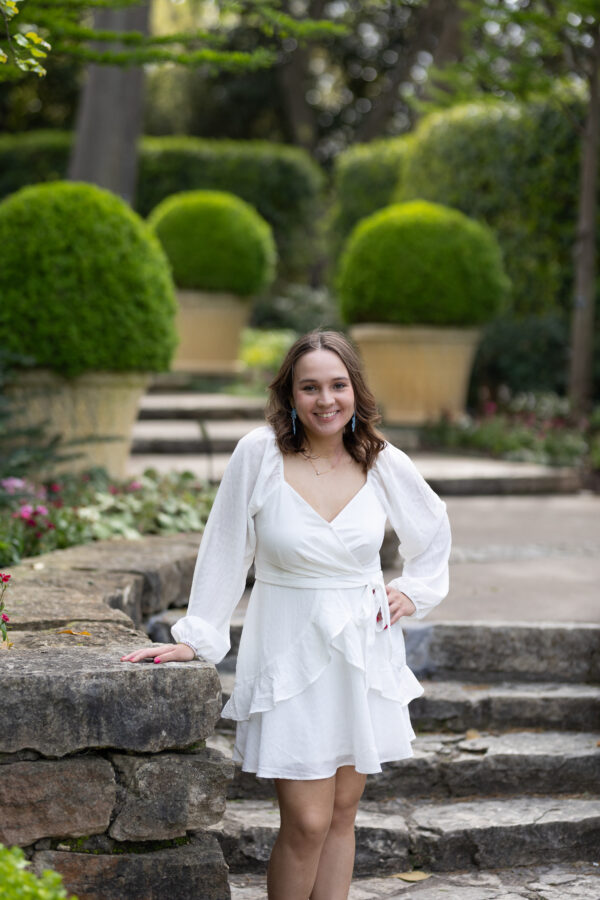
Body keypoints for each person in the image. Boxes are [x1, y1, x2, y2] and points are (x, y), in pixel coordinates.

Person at [121, 330, 451, 900]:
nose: (326, 400)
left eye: (338, 385)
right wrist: (198, 636)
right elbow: (226, 546)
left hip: (362, 650)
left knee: (342, 814)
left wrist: (414, 591)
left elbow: (433, 525)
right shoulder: (259, 454)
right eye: (310, 387)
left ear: (355, 389)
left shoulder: (379, 458)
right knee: (307, 821)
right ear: (290, 394)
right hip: (288, 646)